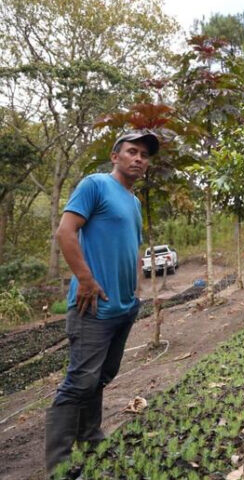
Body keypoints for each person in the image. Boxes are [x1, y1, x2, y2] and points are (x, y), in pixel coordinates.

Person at [45, 130, 159, 473]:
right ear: (116, 156)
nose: (139, 158)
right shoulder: (95, 185)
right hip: (93, 309)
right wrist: (86, 279)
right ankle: (59, 466)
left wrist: (136, 291)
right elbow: (66, 231)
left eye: (144, 155)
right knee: (79, 381)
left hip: (123, 307)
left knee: (100, 378)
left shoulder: (134, 201)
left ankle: (92, 441)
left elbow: (132, 248)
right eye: (132, 151)